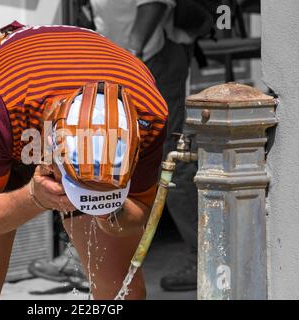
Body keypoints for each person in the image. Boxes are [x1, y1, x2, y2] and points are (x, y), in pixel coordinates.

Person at [0, 21, 168, 300]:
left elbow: (138, 213)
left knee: (124, 294)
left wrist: (107, 209)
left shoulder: (149, 114)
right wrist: (34, 197)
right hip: (10, 92)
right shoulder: (0, 101)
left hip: (50, 92)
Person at [90, 0, 200, 291]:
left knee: (171, 160)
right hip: (118, 63)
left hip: (149, 61)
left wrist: (132, 57)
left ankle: (205, 257)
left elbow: (154, 4)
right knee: (101, 151)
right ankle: (86, 255)